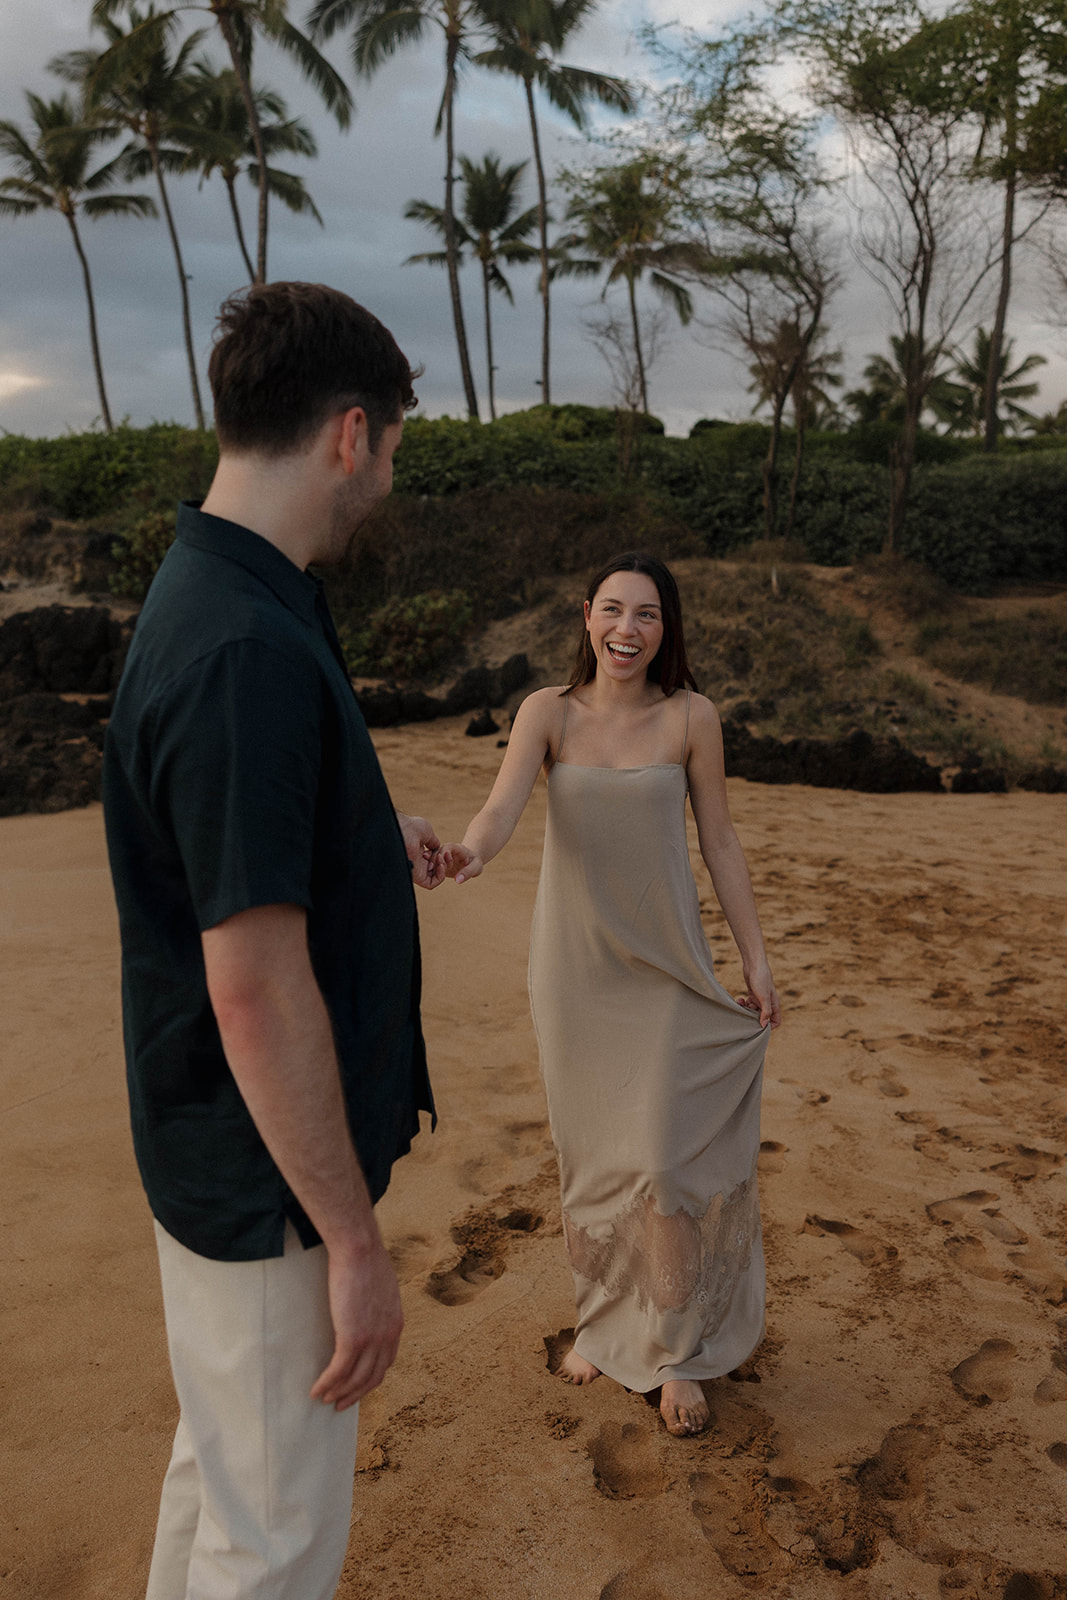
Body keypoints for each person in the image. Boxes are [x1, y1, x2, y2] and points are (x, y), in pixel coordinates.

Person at [103, 282, 469, 1599]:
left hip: (213, 1152)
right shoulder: (243, 647)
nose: (387, 474)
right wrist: (353, 1244)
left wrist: (373, 831)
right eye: (395, 448)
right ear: (350, 435)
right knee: (272, 1544)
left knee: (220, 1479)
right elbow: (252, 985)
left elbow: (250, 834)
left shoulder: (227, 579)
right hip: (265, 1189)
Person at [441, 552, 780, 1438]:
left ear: (666, 630)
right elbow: (500, 809)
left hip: (666, 971)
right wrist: (469, 854)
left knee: (662, 1162)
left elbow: (721, 843)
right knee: (593, 1158)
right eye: (613, 611)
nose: (627, 630)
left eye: (648, 616)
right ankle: (601, 1321)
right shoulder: (545, 713)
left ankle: (673, 1352)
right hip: (576, 974)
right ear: (584, 615)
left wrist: (754, 958)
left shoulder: (690, 718)